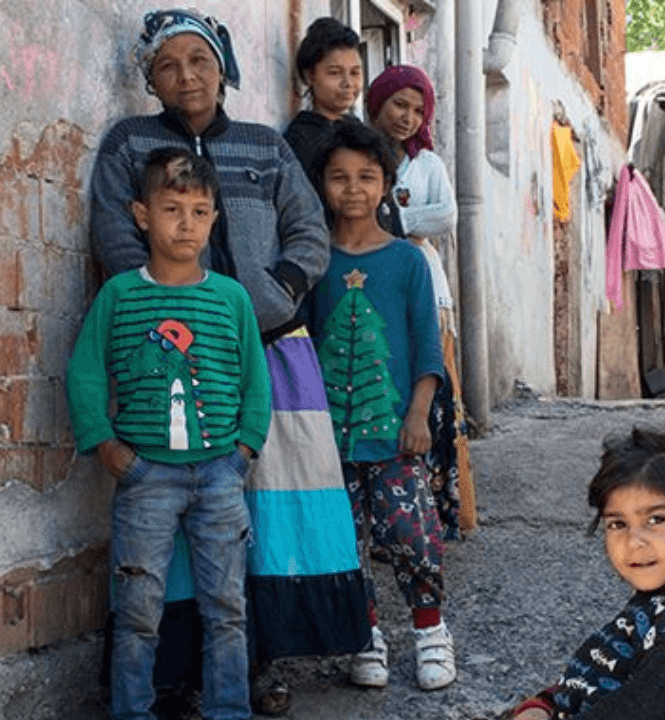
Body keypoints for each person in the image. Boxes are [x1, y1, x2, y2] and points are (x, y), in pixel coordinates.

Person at [89, 9, 371, 716]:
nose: (186, 75)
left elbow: (308, 231)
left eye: (200, 61)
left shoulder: (263, 147)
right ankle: (171, 679)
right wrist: (162, 315)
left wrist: (274, 296)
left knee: (266, 518)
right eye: (167, 65)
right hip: (166, 362)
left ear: (224, 68)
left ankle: (257, 670)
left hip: (268, 353)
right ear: (148, 77)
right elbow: (115, 236)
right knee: (172, 536)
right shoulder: (129, 143)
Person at [67, 148, 270, 720]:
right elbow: (84, 369)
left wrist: (243, 451)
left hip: (220, 476)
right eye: (172, 208)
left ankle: (230, 709)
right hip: (145, 478)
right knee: (137, 608)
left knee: (227, 607)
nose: (186, 224)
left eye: (200, 212)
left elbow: (257, 378)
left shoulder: (230, 298)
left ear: (214, 219)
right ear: (141, 214)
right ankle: (132, 711)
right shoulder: (121, 295)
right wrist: (106, 445)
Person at [306, 120, 454, 690]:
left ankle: (430, 631)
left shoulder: (406, 261)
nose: (352, 189)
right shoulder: (314, 263)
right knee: (346, 540)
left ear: (387, 184)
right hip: (329, 438)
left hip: (395, 433)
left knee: (411, 532)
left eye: (367, 177)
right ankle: (364, 635)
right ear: (321, 184)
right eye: (339, 177)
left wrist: (417, 415)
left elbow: (427, 349)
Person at [511, 426, 665, 720]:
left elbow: (650, 709)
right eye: (617, 524)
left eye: (656, 519)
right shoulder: (662, 598)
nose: (634, 541)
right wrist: (539, 708)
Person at [365, 64, 475, 537]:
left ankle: (439, 512)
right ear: (377, 104)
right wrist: (407, 219)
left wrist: (386, 218)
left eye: (418, 109)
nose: (408, 117)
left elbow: (446, 217)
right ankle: (384, 518)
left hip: (430, 294)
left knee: (434, 401)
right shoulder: (360, 152)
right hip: (372, 294)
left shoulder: (427, 164)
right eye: (399, 105)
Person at [283, 16, 364, 182]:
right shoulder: (300, 140)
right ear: (309, 76)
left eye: (355, 73)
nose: (348, 83)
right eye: (334, 73)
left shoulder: (359, 129)